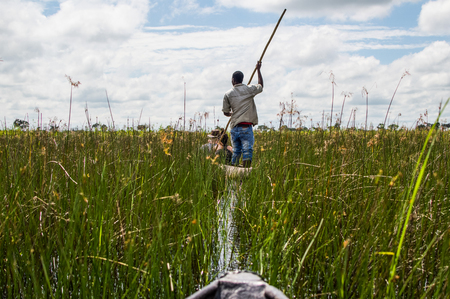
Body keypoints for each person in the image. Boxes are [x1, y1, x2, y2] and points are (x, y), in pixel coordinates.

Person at [222, 61, 263, 168]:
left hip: (234, 127)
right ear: (242, 80)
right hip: (245, 127)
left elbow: (226, 112)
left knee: (236, 151)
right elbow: (260, 86)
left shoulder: (228, 94)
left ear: (233, 80)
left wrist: (233, 113)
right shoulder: (249, 89)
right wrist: (258, 69)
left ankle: (234, 171)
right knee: (247, 150)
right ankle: (245, 171)